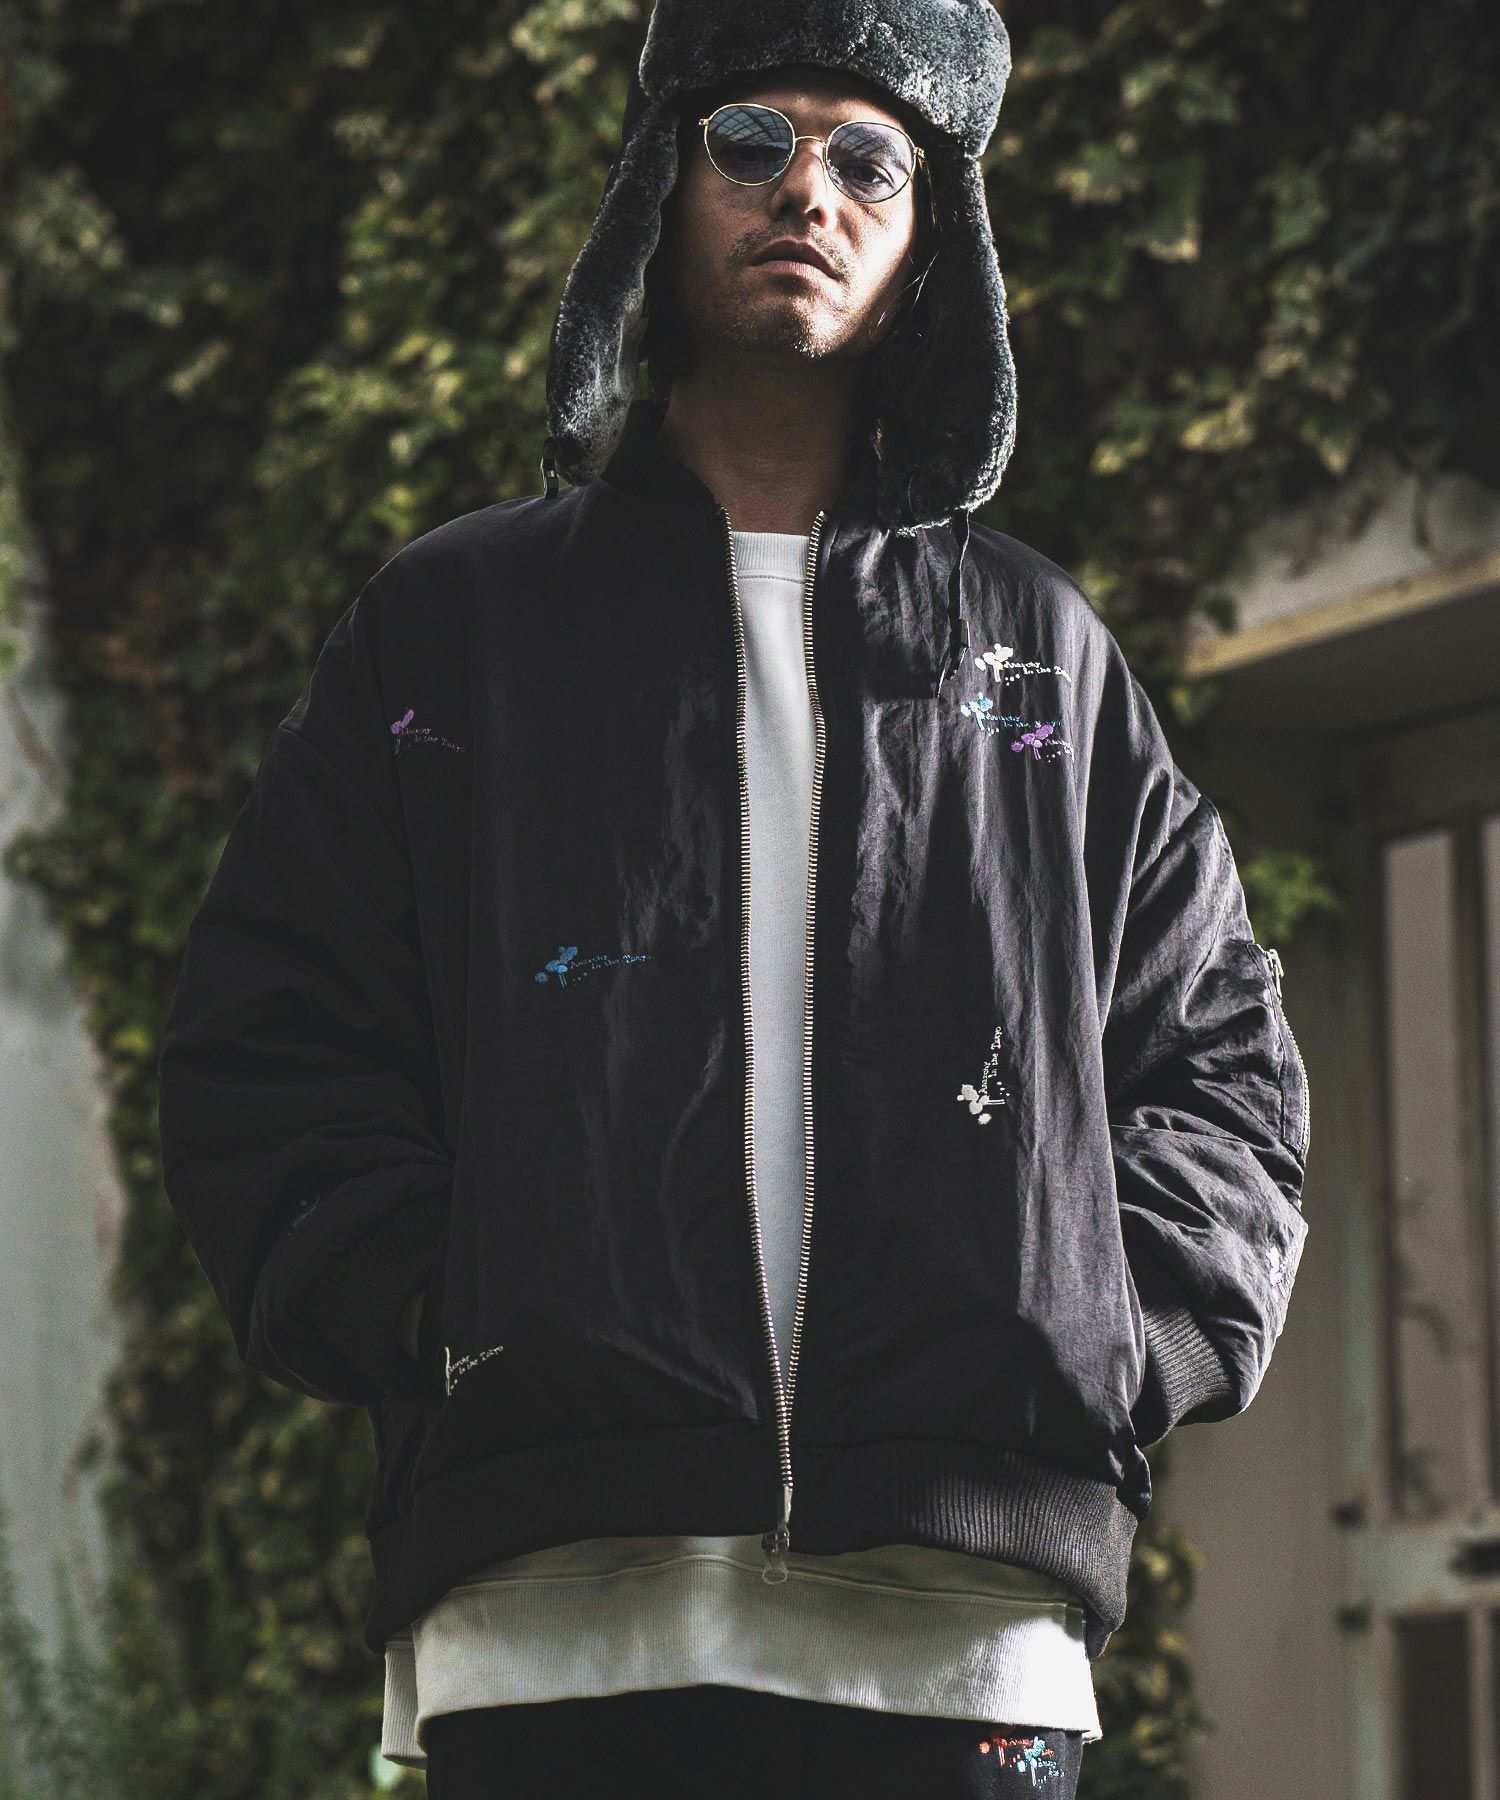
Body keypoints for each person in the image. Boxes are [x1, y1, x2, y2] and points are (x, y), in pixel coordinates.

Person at [155, 1, 1312, 1795]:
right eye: (754, 141)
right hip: (556, 1616)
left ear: (933, 233)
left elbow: (1226, 1074)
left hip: (962, 1631)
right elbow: (265, 1037)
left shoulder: (1040, 657)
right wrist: (447, 1307)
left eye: (873, 161)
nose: (810, 195)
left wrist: (1101, 1330)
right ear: (661, 185)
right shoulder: (458, 631)